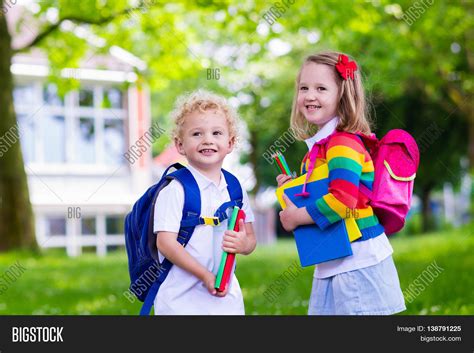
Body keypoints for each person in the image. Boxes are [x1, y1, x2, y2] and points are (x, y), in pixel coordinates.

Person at [277, 51, 406, 315]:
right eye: (304, 88)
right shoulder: (322, 146)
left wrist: (295, 218)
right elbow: (327, 188)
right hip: (335, 258)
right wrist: (296, 186)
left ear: (343, 94)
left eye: (321, 88)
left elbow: (343, 201)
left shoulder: (342, 143)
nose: (310, 95)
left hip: (357, 262)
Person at [154, 89, 256, 314]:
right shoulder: (175, 190)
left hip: (226, 302)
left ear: (230, 143)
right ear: (180, 145)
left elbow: (250, 239)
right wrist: (204, 275)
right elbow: (165, 243)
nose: (208, 140)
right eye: (197, 134)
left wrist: (243, 244)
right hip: (180, 303)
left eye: (217, 133)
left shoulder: (235, 189)